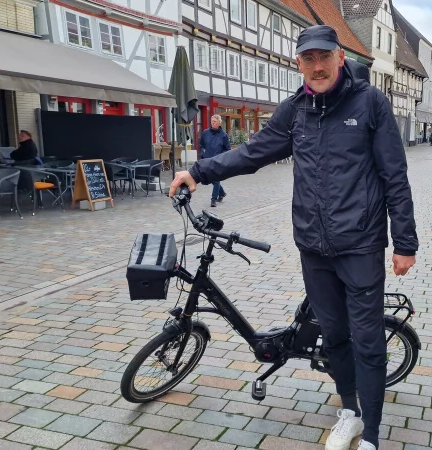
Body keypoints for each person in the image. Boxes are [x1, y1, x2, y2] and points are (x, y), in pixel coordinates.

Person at [169, 25, 418, 450]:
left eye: (324, 56)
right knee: (335, 335)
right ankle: (351, 413)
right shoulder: (295, 109)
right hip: (313, 246)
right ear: (298, 63)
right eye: (308, 59)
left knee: (369, 341)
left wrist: (405, 242)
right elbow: (252, 153)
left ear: (340, 57)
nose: (317, 66)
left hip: (360, 243)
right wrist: (198, 171)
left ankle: (373, 437)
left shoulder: (371, 102)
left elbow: (394, 174)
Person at [199, 114, 231, 207]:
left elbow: (227, 149)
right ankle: (221, 193)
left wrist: (221, 156)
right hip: (207, 159)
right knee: (210, 178)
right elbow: (201, 145)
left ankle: (213, 199)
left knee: (216, 179)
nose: (213, 123)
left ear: (219, 123)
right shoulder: (205, 133)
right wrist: (202, 154)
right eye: (212, 121)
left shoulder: (223, 135)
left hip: (218, 160)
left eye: (215, 122)